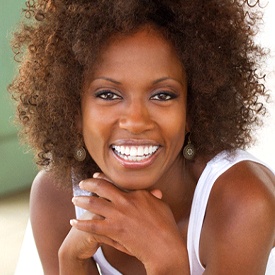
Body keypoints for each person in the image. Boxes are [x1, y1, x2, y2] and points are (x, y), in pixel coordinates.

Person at [9, 0, 275, 274]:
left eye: (162, 95)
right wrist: (72, 261)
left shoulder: (242, 203)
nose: (135, 122)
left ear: (192, 110)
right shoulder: (56, 197)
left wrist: (168, 262)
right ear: (74, 111)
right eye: (108, 95)